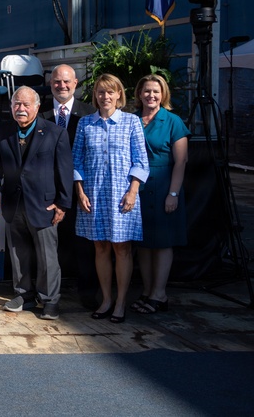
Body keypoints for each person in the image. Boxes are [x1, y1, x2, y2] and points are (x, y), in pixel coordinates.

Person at [0, 86, 73, 320]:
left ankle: (49, 300)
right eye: (16, 104)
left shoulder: (55, 133)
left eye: (26, 105)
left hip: (44, 206)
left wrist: (62, 204)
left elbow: (64, 171)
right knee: (18, 254)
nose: (21, 109)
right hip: (13, 204)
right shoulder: (2, 131)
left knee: (47, 258)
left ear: (36, 107)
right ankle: (23, 295)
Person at [73, 73, 149, 324]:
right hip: (93, 194)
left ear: (119, 95)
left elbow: (140, 161)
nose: (105, 96)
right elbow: (77, 161)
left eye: (110, 92)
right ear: (95, 95)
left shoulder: (131, 122)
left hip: (122, 195)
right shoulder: (86, 123)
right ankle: (105, 299)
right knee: (100, 246)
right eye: (101, 92)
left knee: (122, 247)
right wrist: (80, 191)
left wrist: (133, 191)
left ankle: (120, 302)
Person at [40, 63, 99, 308]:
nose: (61, 86)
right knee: (51, 246)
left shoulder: (89, 113)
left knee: (84, 245)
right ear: (50, 83)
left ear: (75, 83)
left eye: (66, 82)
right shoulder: (39, 111)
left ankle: (88, 293)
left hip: (81, 190)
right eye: (56, 81)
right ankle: (50, 294)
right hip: (47, 191)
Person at [131, 74, 189, 314]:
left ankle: (160, 294)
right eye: (146, 91)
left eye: (155, 91)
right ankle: (147, 292)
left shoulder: (173, 121)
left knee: (163, 244)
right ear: (139, 94)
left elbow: (181, 161)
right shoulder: (131, 120)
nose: (151, 95)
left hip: (165, 186)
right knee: (143, 244)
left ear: (163, 94)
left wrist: (173, 193)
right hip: (138, 188)